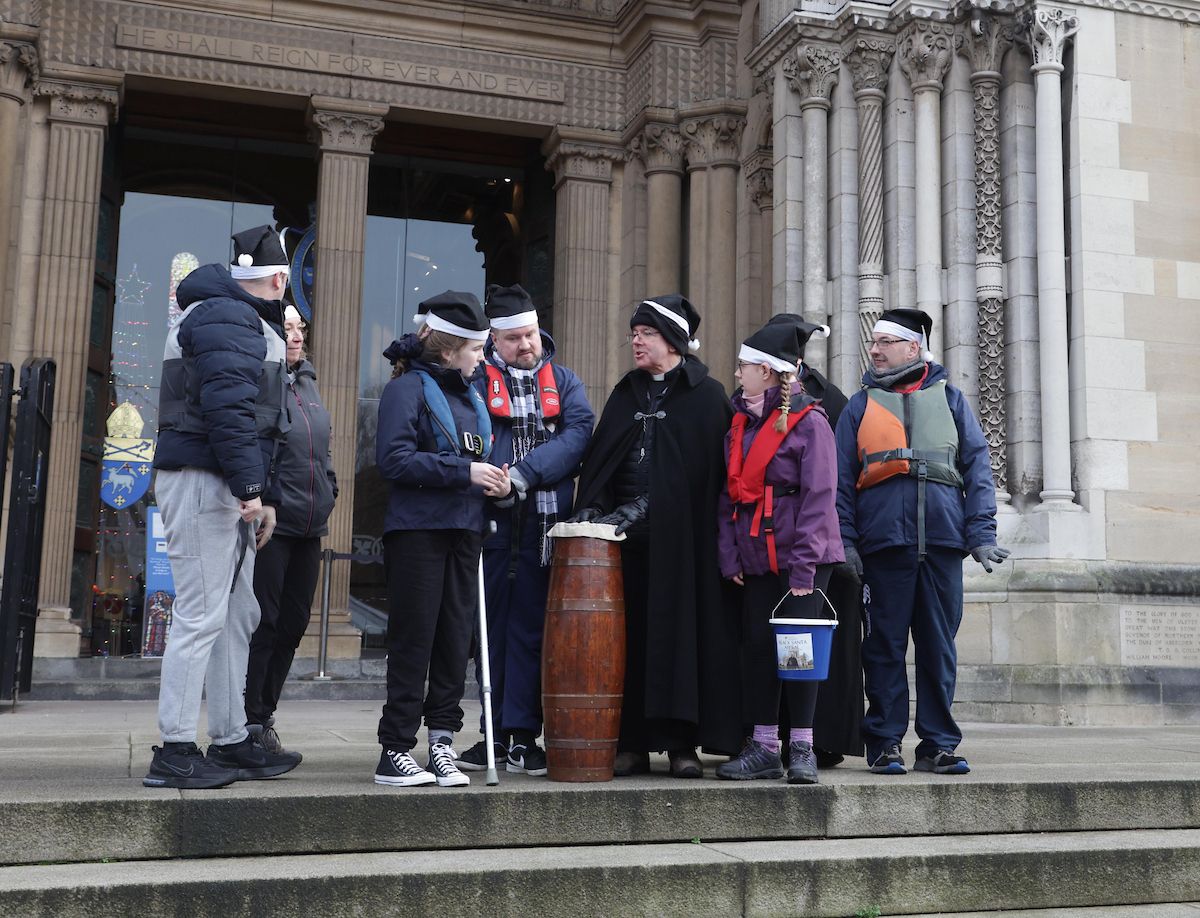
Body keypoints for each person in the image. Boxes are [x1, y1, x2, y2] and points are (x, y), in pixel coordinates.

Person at [144, 225, 303, 789]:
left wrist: (263, 494)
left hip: (219, 480)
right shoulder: (229, 315)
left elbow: (253, 418)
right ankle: (176, 748)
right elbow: (229, 408)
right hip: (208, 480)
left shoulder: (224, 313)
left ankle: (232, 737)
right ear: (280, 278)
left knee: (236, 613)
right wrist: (252, 490)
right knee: (203, 612)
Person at [571, 295, 742, 777]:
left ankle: (682, 745)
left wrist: (646, 506)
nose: (636, 341)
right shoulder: (626, 393)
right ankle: (631, 742)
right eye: (633, 333)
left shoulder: (708, 397)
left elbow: (705, 476)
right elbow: (604, 457)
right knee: (627, 643)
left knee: (679, 642)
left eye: (644, 333)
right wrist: (595, 508)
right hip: (624, 548)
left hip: (681, 547)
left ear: (672, 340)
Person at [835, 308, 1010, 776]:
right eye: (874, 343)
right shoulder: (859, 406)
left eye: (885, 343)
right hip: (883, 546)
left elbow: (977, 469)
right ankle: (885, 742)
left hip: (942, 546)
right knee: (883, 648)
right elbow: (839, 483)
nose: (874, 350)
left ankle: (937, 744)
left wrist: (982, 534)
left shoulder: (952, 401)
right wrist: (846, 543)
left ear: (913, 348)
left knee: (938, 648)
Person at [374, 291, 511, 788]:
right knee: (416, 638)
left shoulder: (473, 398)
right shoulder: (405, 389)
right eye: (477, 349)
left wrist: (497, 484)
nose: (483, 357)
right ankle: (394, 749)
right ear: (452, 348)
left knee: (456, 639)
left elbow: (479, 461)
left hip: (464, 528)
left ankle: (441, 742)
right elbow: (393, 460)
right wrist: (465, 472)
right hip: (417, 530)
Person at [457, 284, 594, 777]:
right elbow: (469, 438)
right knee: (487, 635)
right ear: (494, 339)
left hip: (543, 527)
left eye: (531, 334)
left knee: (533, 633)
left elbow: (578, 434)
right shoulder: (474, 380)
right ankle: (492, 734)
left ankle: (523, 734)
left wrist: (523, 474)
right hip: (490, 526)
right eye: (514, 338)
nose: (526, 345)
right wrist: (497, 480)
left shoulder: (566, 380)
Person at [716, 318, 844, 784]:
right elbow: (728, 496)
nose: (737, 373)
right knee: (757, 651)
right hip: (755, 557)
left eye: (744, 366)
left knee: (800, 651)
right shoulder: (739, 425)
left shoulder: (811, 424)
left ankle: (802, 748)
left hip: (802, 559)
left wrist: (803, 571)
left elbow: (819, 499)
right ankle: (765, 747)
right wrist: (730, 555)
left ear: (767, 373)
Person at [764, 314, 863, 769]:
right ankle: (773, 739)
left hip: (821, 547)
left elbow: (838, 479)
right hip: (772, 545)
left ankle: (817, 740)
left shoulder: (827, 405)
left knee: (814, 647)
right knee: (778, 645)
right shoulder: (753, 404)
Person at [243, 303, 337, 754]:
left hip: (310, 527)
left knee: (295, 622)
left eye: (301, 328)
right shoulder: (265, 379)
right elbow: (257, 444)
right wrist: (268, 498)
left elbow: (323, 455)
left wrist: (330, 491)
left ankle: (266, 712)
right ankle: (251, 721)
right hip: (273, 524)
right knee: (266, 621)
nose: (296, 336)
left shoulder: (310, 383)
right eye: (287, 328)